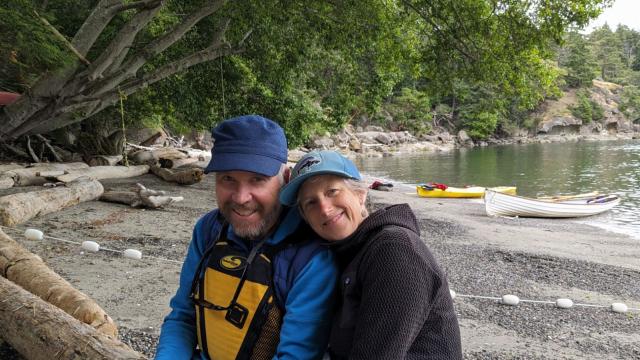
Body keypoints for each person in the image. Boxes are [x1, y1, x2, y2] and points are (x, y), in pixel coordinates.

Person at [156, 116, 338, 360]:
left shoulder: (310, 255)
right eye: (227, 179)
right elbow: (183, 317)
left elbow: (296, 355)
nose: (241, 198)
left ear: (285, 178)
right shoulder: (209, 229)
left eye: (257, 179)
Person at [279, 150, 463, 359]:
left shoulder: (394, 249)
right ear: (305, 217)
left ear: (360, 194)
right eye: (311, 202)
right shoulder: (346, 251)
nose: (325, 208)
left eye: (332, 191)